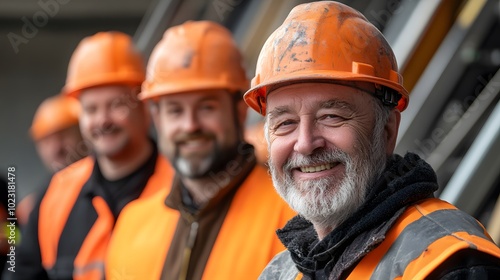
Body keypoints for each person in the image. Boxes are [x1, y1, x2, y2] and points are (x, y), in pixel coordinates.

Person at [243, 2, 500, 279]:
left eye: (331, 116)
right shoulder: (282, 272)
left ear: (387, 129)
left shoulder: (448, 262)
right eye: (285, 123)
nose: (305, 144)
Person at [105, 21, 295, 280]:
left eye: (206, 107)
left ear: (239, 110)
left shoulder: (292, 220)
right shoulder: (132, 223)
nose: (190, 125)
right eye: (175, 110)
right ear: (157, 119)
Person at [4, 31, 171, 280]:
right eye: (91, 109)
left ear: (145, 106)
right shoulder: (55, 194)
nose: (103, 120)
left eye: (116, 105)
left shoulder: (181, 188)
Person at [17, 95, 89, 226]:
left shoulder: (107, 184)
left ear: (82, 132)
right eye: (46, 141)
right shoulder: (31, 207)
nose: (56, 148)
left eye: (63, 135)